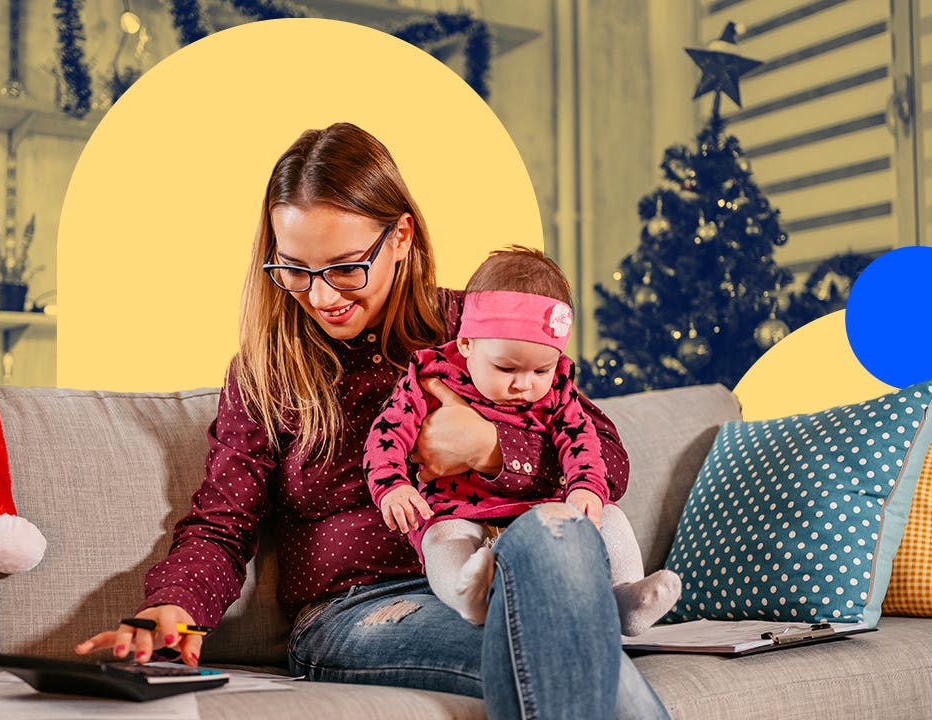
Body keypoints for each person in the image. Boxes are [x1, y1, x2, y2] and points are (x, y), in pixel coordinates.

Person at [76, 122, 670, 719]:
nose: (322, 296)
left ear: (401, 236)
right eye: (295, 270)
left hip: (505, 574)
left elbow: (603, 458)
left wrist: (491, 448)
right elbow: (221, 524)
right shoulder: (267, 372)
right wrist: (175, 608)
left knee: (556, 538)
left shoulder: (477, 325)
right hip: (362, 612)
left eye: (345, 267)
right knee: (553, 639)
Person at [365, 246, 682, 632]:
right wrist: (392, 485)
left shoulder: (556, 388)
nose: (523, 384)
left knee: (608, 514)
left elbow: (583, 441)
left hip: (539, 514)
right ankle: (471, 596)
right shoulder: (431, 376)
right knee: (439, 540)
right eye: (506, 367)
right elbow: (387, 431)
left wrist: (585, 488)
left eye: (540, 370)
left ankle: (623, 597)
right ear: (467, 344)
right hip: (459, 511)